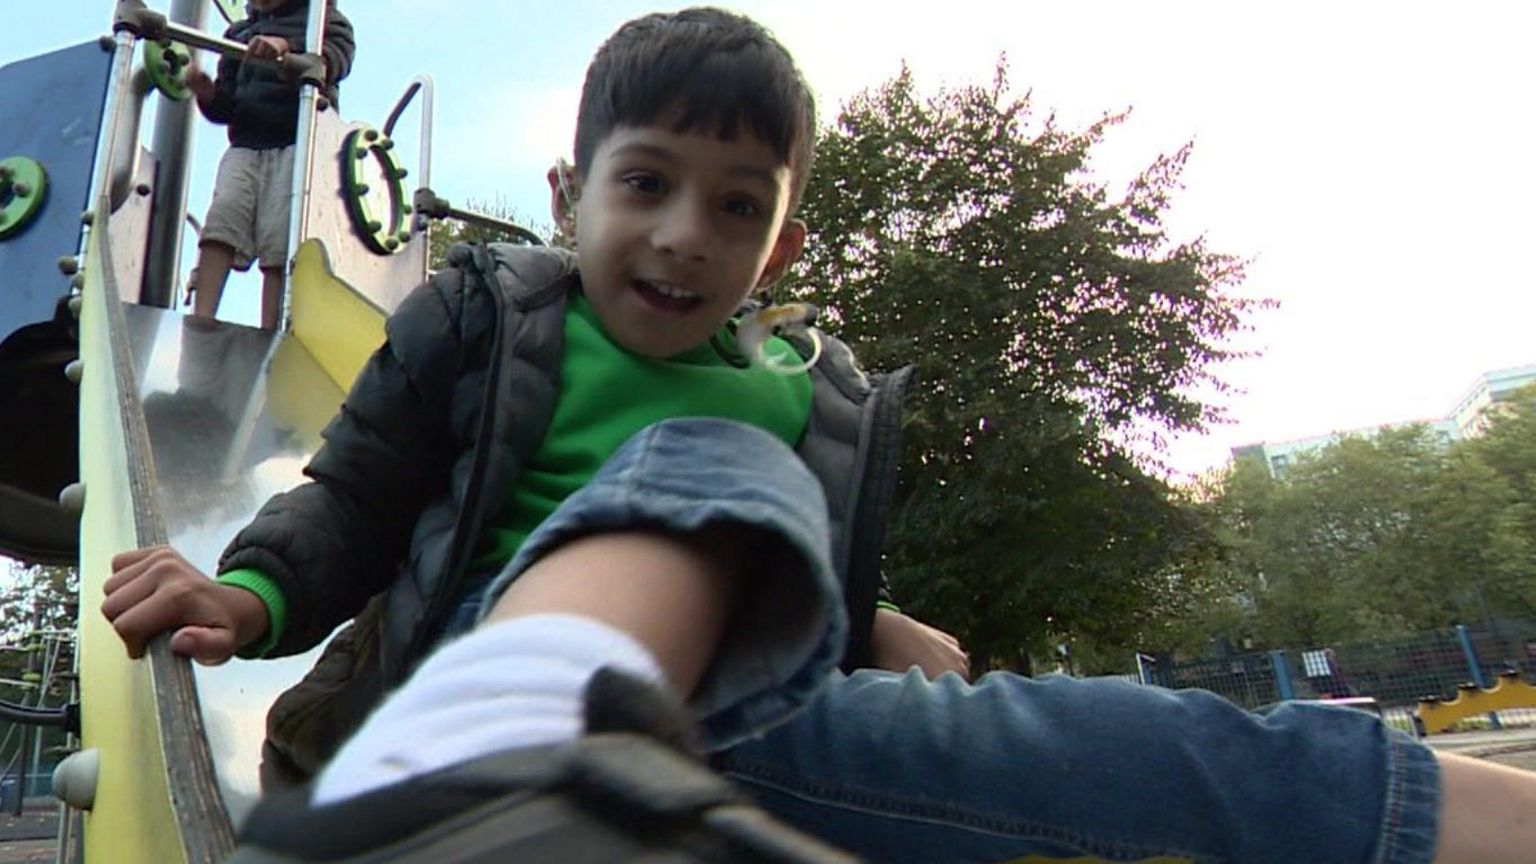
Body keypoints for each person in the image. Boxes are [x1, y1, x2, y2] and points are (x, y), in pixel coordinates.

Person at [105, 8, 1536, 863]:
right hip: (467, 692)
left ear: (780, 241)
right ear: (569, 192)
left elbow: (765, 578)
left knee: (1128, 742)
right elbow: (356, 496)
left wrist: (856, 618)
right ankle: (512, 741)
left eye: (737, 206)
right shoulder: (494, 322)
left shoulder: (808, 391)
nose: (682, 236)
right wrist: (249, 591)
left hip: (720, 749)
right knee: (708, 462)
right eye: (647, 184)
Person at [184, 0, 354, 330]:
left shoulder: (322, 20)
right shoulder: (239, 32)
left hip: (297, 141)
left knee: (280, 238)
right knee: (223, 219)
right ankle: (201, 319)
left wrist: (288, 50)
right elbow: (227, 105)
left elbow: (337, 59)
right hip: (247, 143)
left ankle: (270, 329)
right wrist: (206, 94)